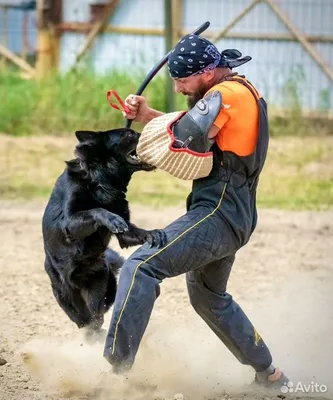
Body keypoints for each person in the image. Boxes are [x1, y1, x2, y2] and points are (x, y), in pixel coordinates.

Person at [103, 33, 289, 390]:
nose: (177, 88)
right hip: (235, 214)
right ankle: (269, 374)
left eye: (182, 80)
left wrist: (131, 152)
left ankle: (115, 373)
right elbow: (200, 132)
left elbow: (181, 140)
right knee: (208, 296)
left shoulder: (226, 96)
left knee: (141, 265)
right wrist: (147, 116)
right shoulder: (237, 92)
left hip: (218, 213)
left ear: (206, 74)